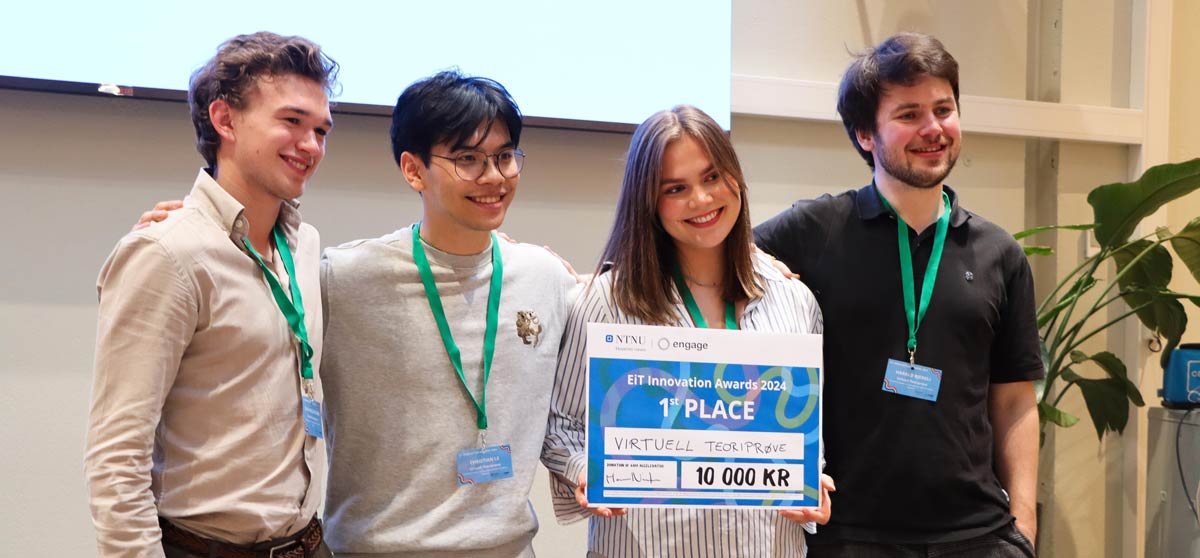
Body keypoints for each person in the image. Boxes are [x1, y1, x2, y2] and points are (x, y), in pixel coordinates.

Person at [754, 33, 1042, 557]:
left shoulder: (999, 253)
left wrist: (1023, 528)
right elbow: (708, 256)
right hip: (847, 534)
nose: (933, 129)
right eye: (909, 114)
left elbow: (1016, 399)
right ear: (865, 133)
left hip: (976, 535)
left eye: (944, 109)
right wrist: (598, 275)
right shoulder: (812, 231)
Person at [85, 32, 338, 557]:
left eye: (320, 129)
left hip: (309, 543)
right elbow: (117, 457)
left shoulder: (306, 245)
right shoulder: (167, 253)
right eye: (292, 122)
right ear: (224, 120)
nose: (311, 145)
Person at [542, 105, 834, 557]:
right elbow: (559, 425)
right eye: (676, 188)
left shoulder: (794, 301)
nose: (701, 200)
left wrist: (810, 486)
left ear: (736, 178)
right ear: (649, 204)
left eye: (713, 177)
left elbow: (800, 433)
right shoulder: (607, 301)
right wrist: (586, 470)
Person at [317, 71, 579, 557]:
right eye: (467, 159)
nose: (494, 177)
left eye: (504, 157)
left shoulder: (544, 277)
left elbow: (636, 317)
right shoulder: (345, 278)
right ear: (413, 170)